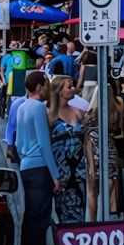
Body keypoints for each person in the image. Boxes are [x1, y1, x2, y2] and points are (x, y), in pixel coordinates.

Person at [14, 72, 57, 245]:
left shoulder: (21, 106)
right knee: (40, 220)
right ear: (40, 87)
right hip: (40, 167)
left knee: (30, 219)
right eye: (46, 85)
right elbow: (44, 143)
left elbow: (18, 140)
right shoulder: (39, 108)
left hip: (25, 165)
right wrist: (56, 175)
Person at [46, 74, 87, 225]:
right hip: (60, 171)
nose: (73, 89)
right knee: (64, 212)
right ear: (58, 90)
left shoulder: (77, 111)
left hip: (80, 169)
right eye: (69, 86)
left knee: (82, 208)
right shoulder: (49, 114)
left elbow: (88, 138)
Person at [5, 70, 47, 164]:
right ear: (40, 87)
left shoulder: (48, 105)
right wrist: (10, 145)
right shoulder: (18, 104)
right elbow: (11, 126)